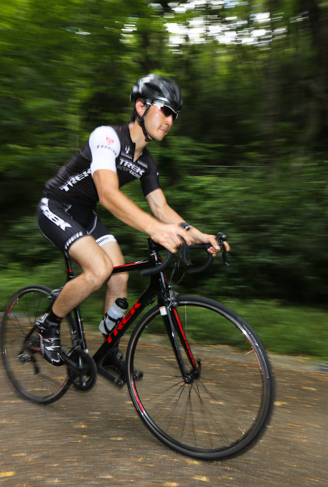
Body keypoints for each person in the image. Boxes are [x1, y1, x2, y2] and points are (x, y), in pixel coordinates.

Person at [35, 74, 228, 374]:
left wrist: (198, 235)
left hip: (85, 213)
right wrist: (155, 229)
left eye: (174, 115)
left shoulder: (147, 161)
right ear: (141, 107)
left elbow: (160, 206)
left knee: (119, 278)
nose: (170, 120)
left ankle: (108, 349)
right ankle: (48, 323)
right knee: (99, 270)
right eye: (165, 110)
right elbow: (108, 194)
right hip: (56, 206)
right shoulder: (107, 137)